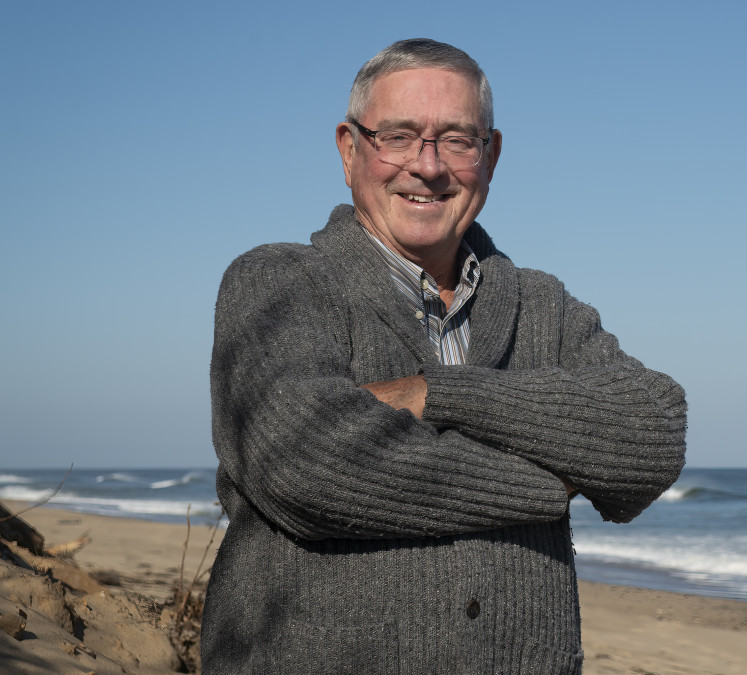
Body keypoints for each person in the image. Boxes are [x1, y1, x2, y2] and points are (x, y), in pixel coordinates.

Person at [201, 38, 687, 674]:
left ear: (491, 155)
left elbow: (652, 435)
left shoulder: (545, 306)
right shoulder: (279, 282)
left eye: (457, 139)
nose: (428, 166)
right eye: (398, 136)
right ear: (349, 151)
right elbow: (309, 464)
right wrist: (553, 486)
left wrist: (439, 394)